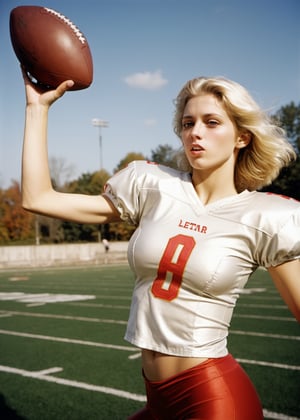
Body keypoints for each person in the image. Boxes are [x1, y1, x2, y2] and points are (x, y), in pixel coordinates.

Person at [21, 71, 300, 419]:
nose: (195, 132)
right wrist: (37, 109)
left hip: (214, 398)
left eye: (212, 122)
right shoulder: (153, 186)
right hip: (158, 400)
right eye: (188, 123)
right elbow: (38, 198)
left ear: (242, 137)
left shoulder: (266, 216)